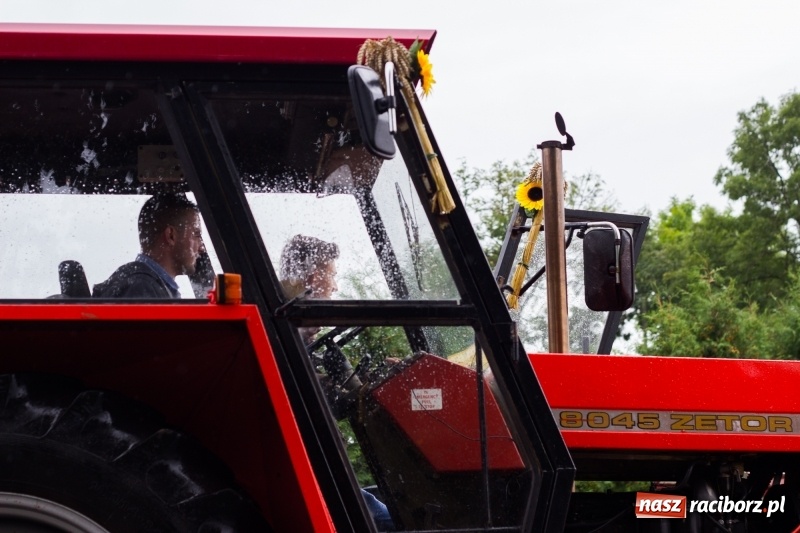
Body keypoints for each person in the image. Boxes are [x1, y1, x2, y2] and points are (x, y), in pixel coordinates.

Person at [279, 234, 395, 531]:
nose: (335, 287)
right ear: (315, 277)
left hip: (313, 465)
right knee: (389, 521)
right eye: (332, 276)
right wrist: (356, 393)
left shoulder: (293, 329)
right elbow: (304, 391)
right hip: (309, 467)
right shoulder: (283, 333)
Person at [93, 193, 209, 298]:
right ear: (171, 236)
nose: (201, 248)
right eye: (196, 235)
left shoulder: (145, 284)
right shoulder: (142, 288)